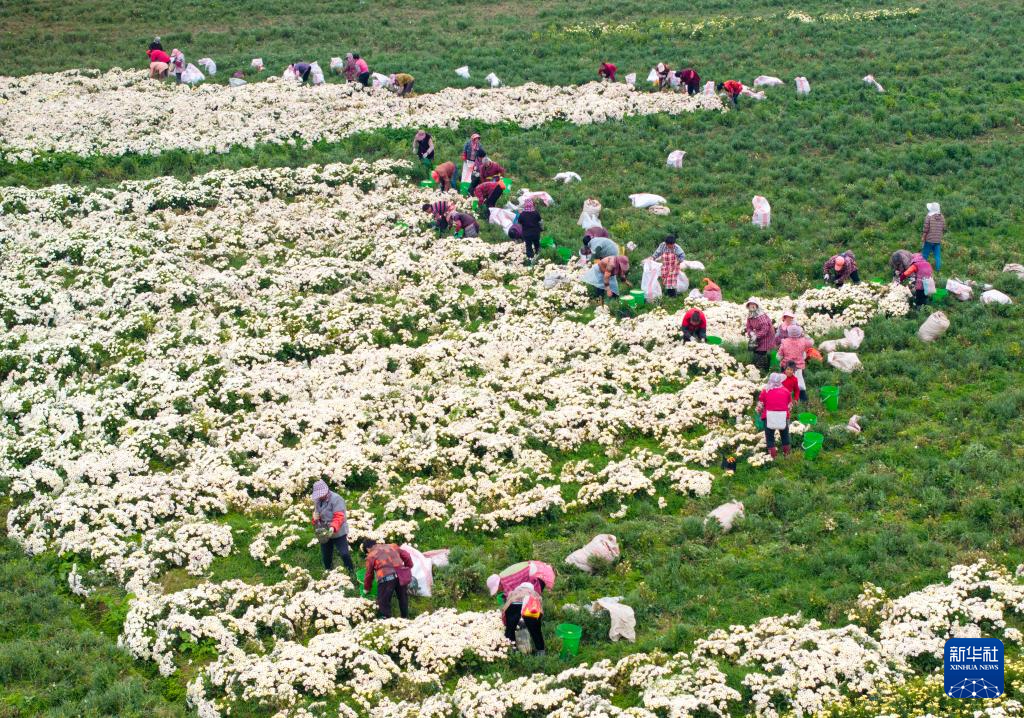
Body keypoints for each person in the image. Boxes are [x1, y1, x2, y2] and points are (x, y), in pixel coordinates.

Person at [361, 538, 414, 618]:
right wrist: (408, 567)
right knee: (403, 598)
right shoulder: (392, 546)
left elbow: (369, 574)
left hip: (386, 578)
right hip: (401, 575)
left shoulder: (371, 555)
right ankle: (405, 618)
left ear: (368, 549)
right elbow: (406, 556)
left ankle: (388, 623)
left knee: (383, 602)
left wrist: (366, 588)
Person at [311, 480, 355, 573]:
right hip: (324, 531)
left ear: (326, 490)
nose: (320, 496)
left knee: (344, 553)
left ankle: (351, 572)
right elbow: (317, 517)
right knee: (326, 554)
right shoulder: (317, 501)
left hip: (338, 531)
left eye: (321, 494)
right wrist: (315, 518)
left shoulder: (336, 499)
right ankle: (328, 572)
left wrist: (332, 527)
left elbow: (339, 516)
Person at [502, 581, 545, 654]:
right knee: (536, 630)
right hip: (529, 608)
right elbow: (539, 603)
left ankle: (513, 649)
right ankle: (540, 650)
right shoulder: (534, 593)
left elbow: (507, 600)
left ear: (520, 587)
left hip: (514, 606)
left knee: (510, 628)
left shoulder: (513, 592)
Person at [757, 373, 794, 458]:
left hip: (769, 417)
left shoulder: (765, 390)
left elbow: (760, 405)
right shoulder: (786, 391)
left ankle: (773, 457)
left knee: (770, 437)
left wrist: (759, 411)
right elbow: (789, 406)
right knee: (785, 435)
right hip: (782, 416)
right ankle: (787, 455)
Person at [777, 325, 814, 402]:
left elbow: (779, 356)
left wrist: (782, 358)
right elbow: (811, 342)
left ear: (788, 333)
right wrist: (805, 335)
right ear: (799, 333)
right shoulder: (803, 341)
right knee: (800, 384)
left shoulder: (784, 342)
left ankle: (783, 399)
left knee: (784, 383)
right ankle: (803, 400)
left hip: (786, 367)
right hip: (798, 367)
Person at [745, 298, 776, 372]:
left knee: (762, 351)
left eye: (753, 305)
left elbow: (765, 328)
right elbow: (748, 327)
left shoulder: (760, 315)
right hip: (757, 334)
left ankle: (762, 368)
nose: (752, 306)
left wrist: (756, 336)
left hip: (767, 335)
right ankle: (756, 365)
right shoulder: (750, 315)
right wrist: (751, 333)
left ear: (756, 306)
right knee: (754, 349)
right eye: (750, 305)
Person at [518, 197, 543, 265]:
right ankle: (539, 258)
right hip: (536, 233)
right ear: (532, 205)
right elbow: (540, 222)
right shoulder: (536, 213)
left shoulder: (522, 214)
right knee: (537, 244)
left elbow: (519, 222)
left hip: (527, 234)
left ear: (525, 205)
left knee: (528, 246)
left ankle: (530, 259)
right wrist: (541, 228)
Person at [921, 202, 945, 271]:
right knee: (937, 255)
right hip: (938, 240)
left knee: (925, 254)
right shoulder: (942, 217)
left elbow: (926, 229)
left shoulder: (929, 216)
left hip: (929, 239)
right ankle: (938, 269)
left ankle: (922, 268)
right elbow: (943, 228)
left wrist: (923, 237)